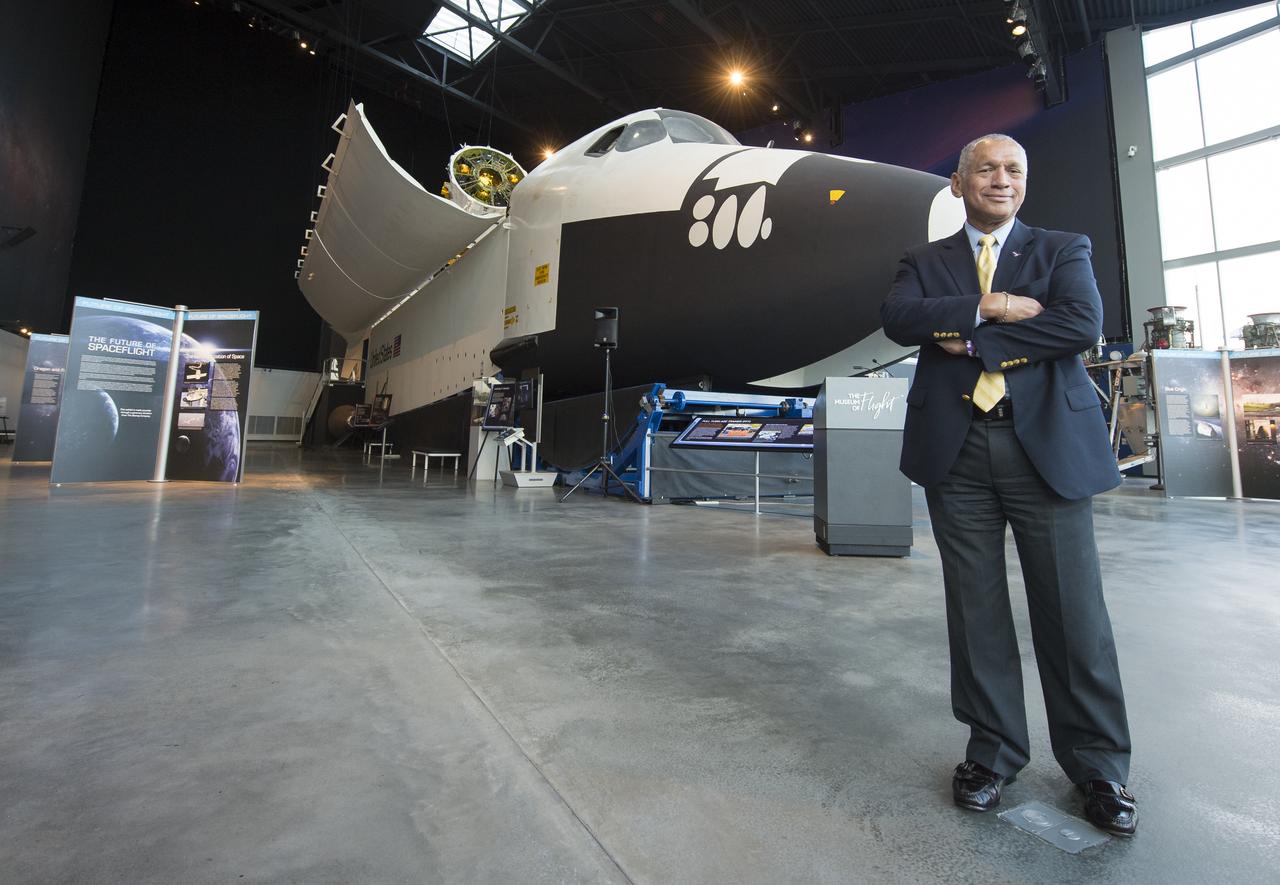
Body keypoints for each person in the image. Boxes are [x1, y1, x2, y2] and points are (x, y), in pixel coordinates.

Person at [880, 134, 1137, 836]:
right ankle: (992, 752)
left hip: (1044, 450)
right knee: (976, 609)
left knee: (1074, 612)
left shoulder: (1061, 249)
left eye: (1014, 170)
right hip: (955, 455)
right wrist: (996, 307)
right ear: (958, 183)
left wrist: (970, 335)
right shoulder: (922, 260)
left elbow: (1081, 323)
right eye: (986, 169)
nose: (1002, 180)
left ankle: (1099, 765)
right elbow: (901, 318)